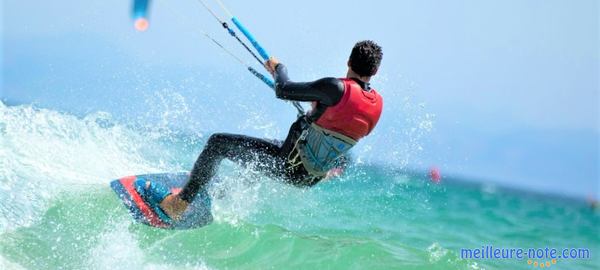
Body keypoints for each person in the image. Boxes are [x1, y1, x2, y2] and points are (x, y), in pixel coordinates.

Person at [136, 40, 384, 222]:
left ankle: (177, 205)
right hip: (310, 177)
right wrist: (316, 114)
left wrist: (279, 68)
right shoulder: (376, 106)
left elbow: (283, 89)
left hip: (288, 165)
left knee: (217, 143)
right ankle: (219, 192)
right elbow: (336, 128)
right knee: (260, 154)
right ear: (375, 72)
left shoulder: (336, 88)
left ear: (348, 61)